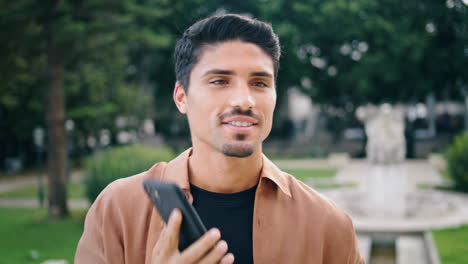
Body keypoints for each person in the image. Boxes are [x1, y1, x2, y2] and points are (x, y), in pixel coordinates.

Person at [75, 14, 364, 264]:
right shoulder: (118, 210)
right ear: (181, 97)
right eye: (220, 81)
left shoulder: (327, 225)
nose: (244, 100)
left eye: (259, 83)